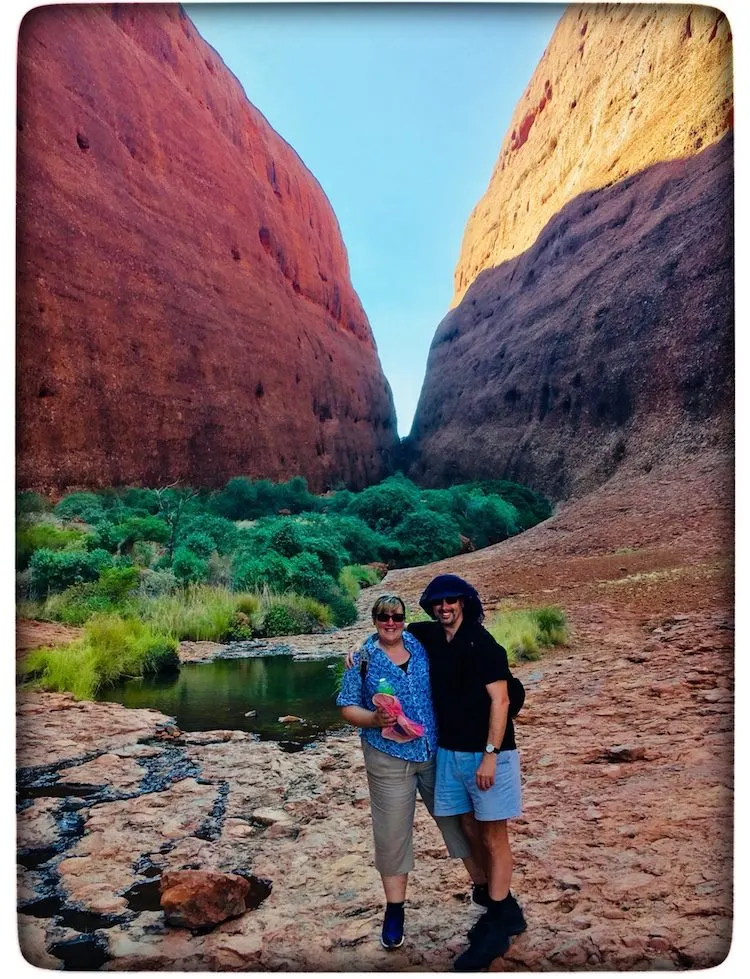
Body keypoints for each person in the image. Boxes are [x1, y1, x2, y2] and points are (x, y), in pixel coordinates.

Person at [336, 593, 487, 951]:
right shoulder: (362, 658)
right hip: (388, 757)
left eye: (397, 616)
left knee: (458, 819)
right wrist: (374, 719)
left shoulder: (422, 643)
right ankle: (395, 910)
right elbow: (346, 706)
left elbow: (460, 631)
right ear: (374, 620)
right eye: (383, 617)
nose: (391, 623)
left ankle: (484, 888)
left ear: (405, 618)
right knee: (391, 834)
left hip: (434, 751)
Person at [409, 573, 526, 971]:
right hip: (449, 753)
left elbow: (502, 700)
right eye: (438, 602)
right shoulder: (429, 636)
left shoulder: (484, 645)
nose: (445, 607)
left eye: (452, 601)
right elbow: (391, 635)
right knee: (467, 827)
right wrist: (358, 653)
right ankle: (504, 908)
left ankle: (495, 926)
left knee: (494, 836)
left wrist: (490, 755)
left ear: (465, 602)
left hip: (487, 753)